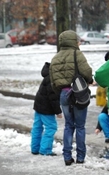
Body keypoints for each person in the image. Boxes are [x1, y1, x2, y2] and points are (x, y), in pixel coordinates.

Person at [50, 30, 93, 166]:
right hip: (78, 93)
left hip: (64, 94)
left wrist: (61, 92)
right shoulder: (77, 54)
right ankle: (80, 157)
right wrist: (89, 80)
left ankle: (67, 157)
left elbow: (53, 80)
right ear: (73, 41)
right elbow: (86, 71)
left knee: (69, 125)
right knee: (80, 126)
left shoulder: (56, 57)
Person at [31, 62, 62, 156]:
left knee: (37, 127)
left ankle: (35, 148)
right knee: (51, 127)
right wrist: (58, 112)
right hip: (46, 108)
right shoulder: (52, 79)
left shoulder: (47, 76)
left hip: (39, 106)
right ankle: (45, 150)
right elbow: (53, 98)